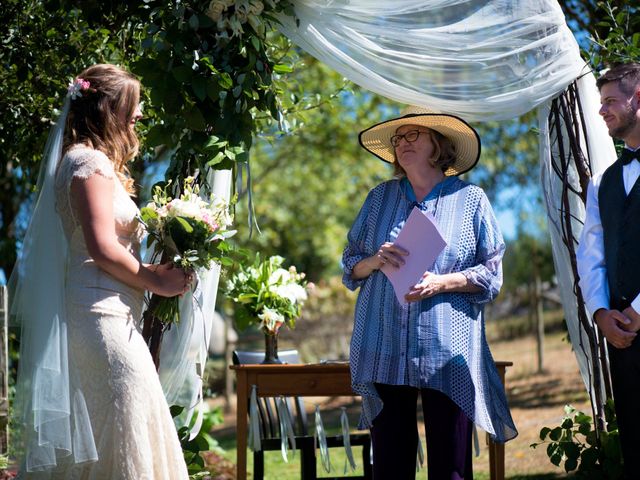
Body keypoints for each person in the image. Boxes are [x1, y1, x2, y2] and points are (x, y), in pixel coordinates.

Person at [10, 64, 190, 479]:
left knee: (116, 423)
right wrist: (155, 280)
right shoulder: (88, 162)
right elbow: (101, 247)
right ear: (107, 108)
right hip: (100, 317)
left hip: (108, 312)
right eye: (132, 105)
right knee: (125, 416)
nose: (139, 115)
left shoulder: (83, 161)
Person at [342, 106, 517, 479]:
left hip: (446, 351)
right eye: (397, 138)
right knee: (389, 466)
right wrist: (375, 261)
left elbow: (492, 273)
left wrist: (441, 282)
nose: (402, 144)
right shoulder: (379, 199)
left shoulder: (471, 199)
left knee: (450, 467)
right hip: (383, 344)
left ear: (438, 144)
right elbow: (350, 266)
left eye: (412, 135)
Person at [577, 62, 640, 479]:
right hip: (622, 336)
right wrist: (600, 313)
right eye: (601, 103)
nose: (602, 110)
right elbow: (591, 253)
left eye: (611, 101)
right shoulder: (602, 181)